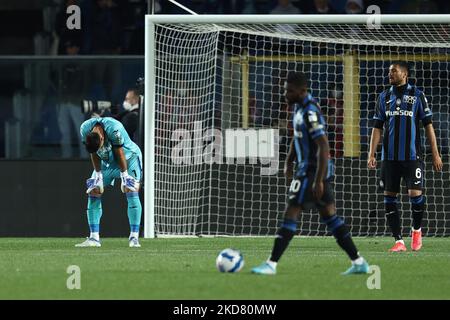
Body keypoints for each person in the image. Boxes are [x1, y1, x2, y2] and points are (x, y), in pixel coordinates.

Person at [252, 72, 369, 275]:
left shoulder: (310, 111)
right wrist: (288, 161)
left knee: (291, 212)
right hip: (307, 170)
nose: (285, 94)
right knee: (330, 217)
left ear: (302, 91)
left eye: (289, 90)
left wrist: (318, 180)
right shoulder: (297, 108)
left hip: (312, 171)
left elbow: (323, 146)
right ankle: (359, 262)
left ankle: (271, 264)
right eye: (284, 89)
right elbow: (297, 136)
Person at [368, 61, 443, 252]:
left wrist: (435, 154)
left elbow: (428, 126)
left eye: (394, 71)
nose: (390, 74)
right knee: (389, 197)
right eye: (388, 71)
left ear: (405, 74)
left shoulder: (418, 95)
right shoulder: (384, 97)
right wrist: (372, 154)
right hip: (389, 158)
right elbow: (377, 127)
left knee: (415, 194)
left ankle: (416, 231)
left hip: (411, 156)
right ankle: (399, 241)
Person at [76, 117, 143, 247]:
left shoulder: (114, 129)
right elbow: (94, 152)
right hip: (107, 163)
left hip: (129, 159)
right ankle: (94, 238)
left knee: (131, 189)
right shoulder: (84, 129)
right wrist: (98, 174)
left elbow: (119, 152)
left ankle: (134, 237)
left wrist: (124, 175)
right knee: (94, 189)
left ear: (102, 138)